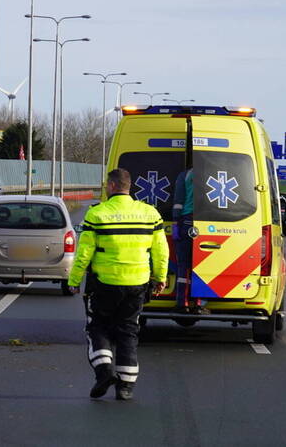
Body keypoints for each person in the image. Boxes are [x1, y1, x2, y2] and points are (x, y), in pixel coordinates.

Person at [68, 168, 168, 401]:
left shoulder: (97, 214)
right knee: (128, 331)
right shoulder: (150, 214)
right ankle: (125, 387)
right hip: (137, 284)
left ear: (112, 186)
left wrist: (74, 281)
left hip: (105, 283)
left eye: (106, 185)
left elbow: (84, 252)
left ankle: (104, 373)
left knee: (98, 327)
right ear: (129, 186)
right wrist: (159, 278)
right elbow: (161, 251)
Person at [172, 167, 195, 311]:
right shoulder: (213, 173)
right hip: (208, 223)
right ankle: (199, 303)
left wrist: (175, 223)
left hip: (186, 222)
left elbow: (178, 201)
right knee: (202, 265)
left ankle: (182, 302)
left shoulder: (185, 175)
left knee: (183, 265)